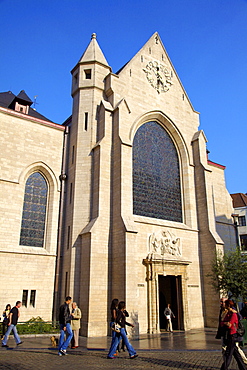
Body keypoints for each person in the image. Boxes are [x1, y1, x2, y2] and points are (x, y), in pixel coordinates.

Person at [220, 299, 247, 370]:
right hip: (229, 335)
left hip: (232, 335)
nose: (223, 304)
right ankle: (243, 368)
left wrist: (225, 323)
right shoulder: (228, 313)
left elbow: (229, 324)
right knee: (236, 354)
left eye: (224, 303)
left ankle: (224, 368)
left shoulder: (233, 314)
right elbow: (222, 322)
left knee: (228, 354)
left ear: (228, 305)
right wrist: (224, 323)